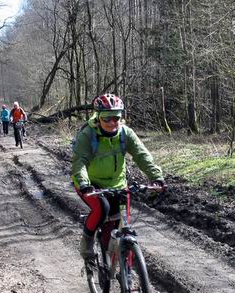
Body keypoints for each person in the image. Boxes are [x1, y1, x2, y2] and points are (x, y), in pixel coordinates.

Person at [71, 93, 166, 261]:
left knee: (122, 226)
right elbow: (79, 163)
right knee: (102, 209)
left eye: (116, 117)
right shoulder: (88, 134)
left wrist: (156, 177)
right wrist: (85, 184)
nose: (111, 122)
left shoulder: (125, 133)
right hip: (91, 185)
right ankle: (87, 243)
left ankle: (124, 273)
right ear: (98, 116)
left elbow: (141, 155)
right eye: (106, 118)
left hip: (118, 185)